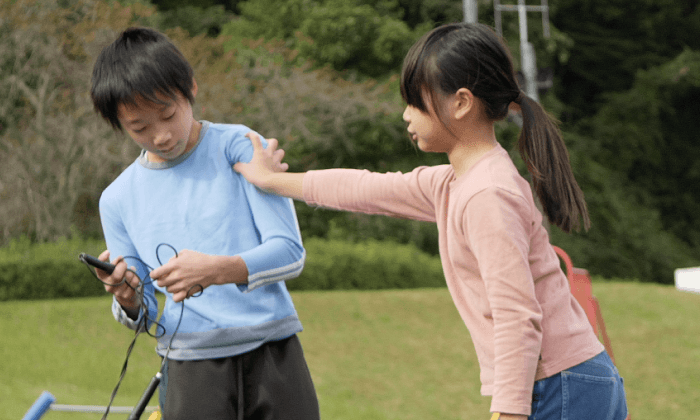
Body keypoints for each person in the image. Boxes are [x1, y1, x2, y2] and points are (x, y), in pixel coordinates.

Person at [234, 22, 628, 420]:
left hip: (558, 384)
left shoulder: (487, 194)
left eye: (415, 102)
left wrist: (509, 412)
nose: (406, 115)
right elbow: (362, 188)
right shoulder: (454, 183)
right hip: (568, 380)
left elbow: (516, 315)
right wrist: (272, 180)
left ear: (461, 102)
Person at [89, 27, 319, 420]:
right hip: (190, 369)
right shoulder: (117, 199)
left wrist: (216, 270)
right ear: (118, 123)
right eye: (139, 128)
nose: (161, 136)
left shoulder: (241, 147)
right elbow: (145, 312)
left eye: (168, 114)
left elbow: (290, 253)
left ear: (191, 88)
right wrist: (127, 298)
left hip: (273, 354)